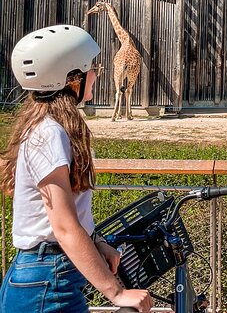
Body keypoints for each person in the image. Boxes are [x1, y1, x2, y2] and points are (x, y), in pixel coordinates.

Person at [0, 25, 153, 312]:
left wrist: (96, 241)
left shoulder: (50, 128)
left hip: (51, 275)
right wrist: (117, 293)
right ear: (71, 79)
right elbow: (63, 226)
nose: (96, 74)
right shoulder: (49, 134)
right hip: (48, 280)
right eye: (90, 68)